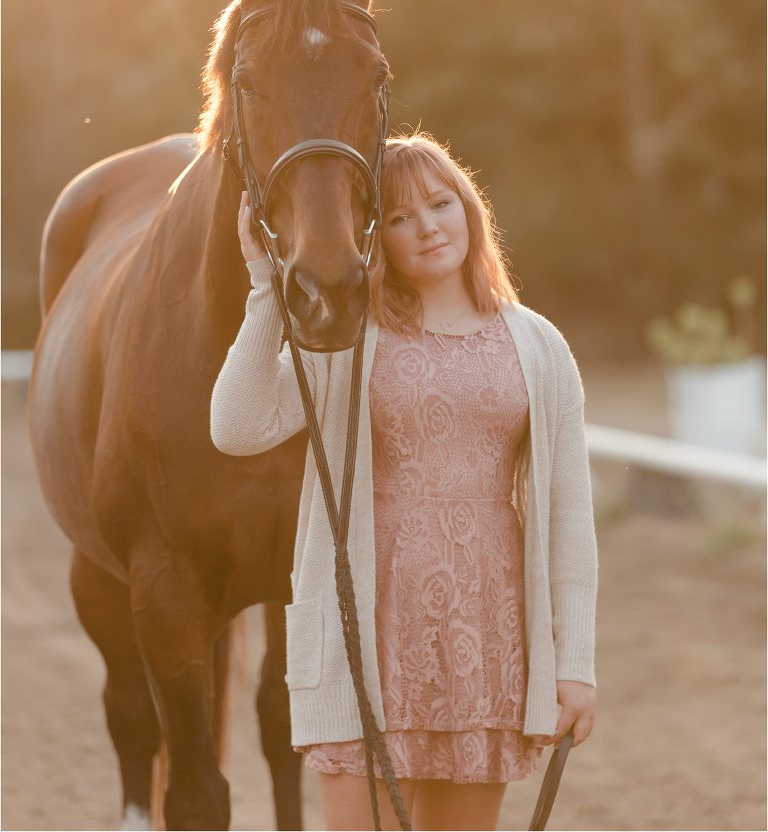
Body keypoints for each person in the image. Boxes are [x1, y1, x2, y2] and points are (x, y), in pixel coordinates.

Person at [211, 132, 597, 832]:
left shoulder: (538, 345)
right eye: (398, 216)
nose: (426, 227)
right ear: (373, 236)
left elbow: (569, 513)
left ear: (470, 210)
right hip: (368, 637)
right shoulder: (347, 336)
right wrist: (266, 287)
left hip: (486, 641)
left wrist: (576, 664)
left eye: (441, 204)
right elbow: (237, 426)